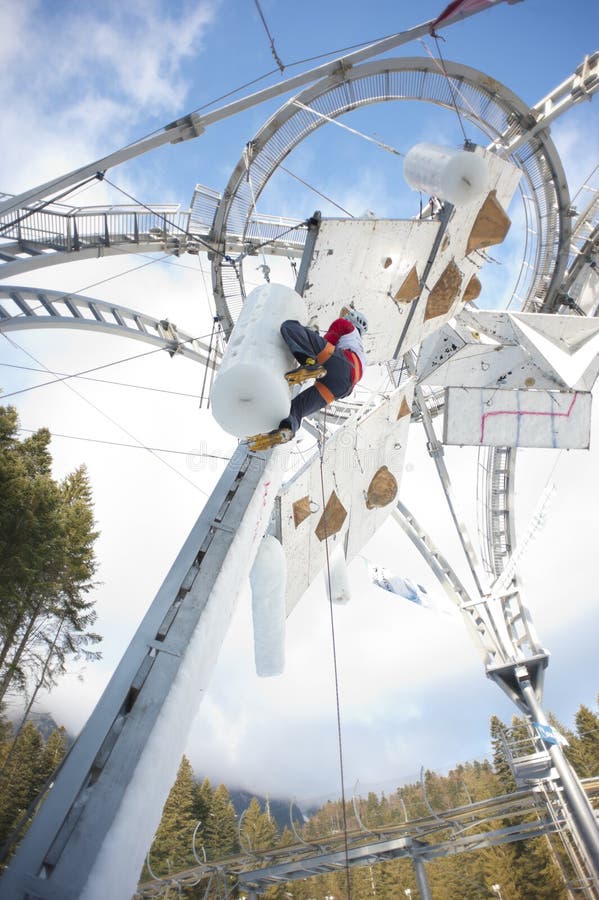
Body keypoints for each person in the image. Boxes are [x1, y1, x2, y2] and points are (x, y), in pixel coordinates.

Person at [275, 306, 368, 441]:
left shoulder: (344, 324)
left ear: (351, 318)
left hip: (341, 365)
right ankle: (287, 429)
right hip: (341, 389)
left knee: (289, 327)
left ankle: (310, 364)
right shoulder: (362, 352)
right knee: (298, 408)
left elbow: (327, 342)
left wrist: (312, 333)